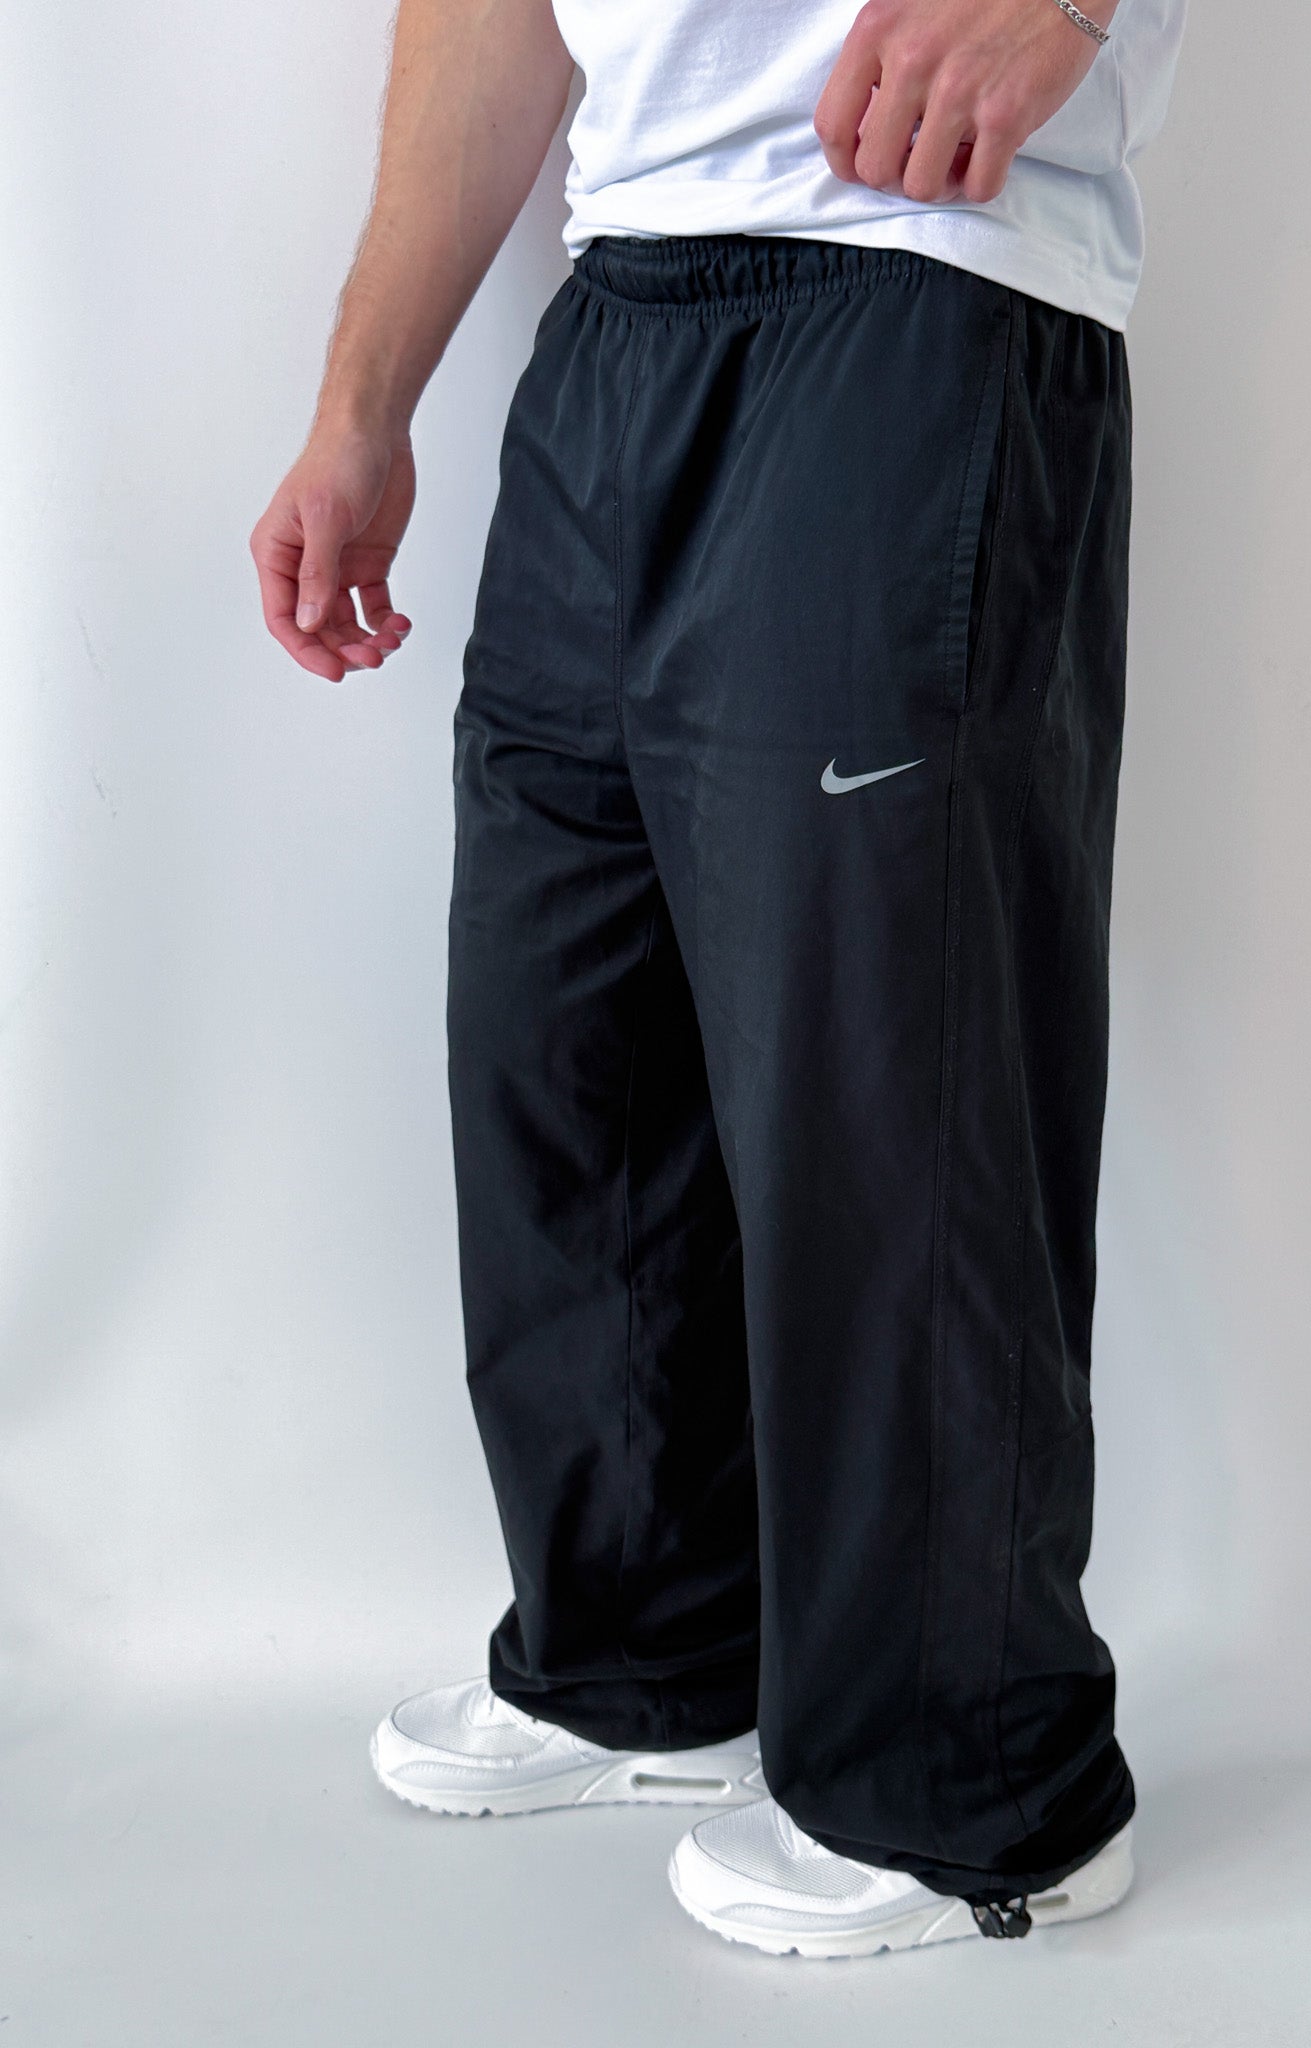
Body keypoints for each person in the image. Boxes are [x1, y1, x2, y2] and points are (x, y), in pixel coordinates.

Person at [251, 0, 1187, 1959]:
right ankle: (645, 1655)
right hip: (617, 307)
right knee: (564, 1040)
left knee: (890, 1080)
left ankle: (975, 1787)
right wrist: (363, 400)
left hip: (916, 270)